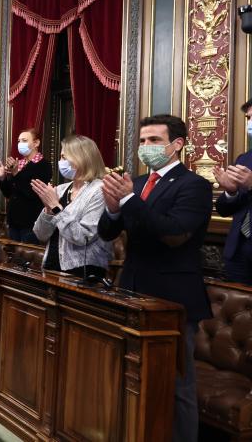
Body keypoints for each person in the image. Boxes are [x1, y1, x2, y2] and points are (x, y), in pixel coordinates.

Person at [98, 114, 212, 442]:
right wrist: (114, 209)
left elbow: (174, 233)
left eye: (154, 140)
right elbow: (107, 232)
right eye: (142, 141)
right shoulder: (134, 183)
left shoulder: (194, 185)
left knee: (177, 384)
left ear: (177, 145)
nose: (146, 146)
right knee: (130, 374)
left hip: (172, 296)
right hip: (132, 289)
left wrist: (129, 201)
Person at [31, 135, 112, 277]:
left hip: (83, 271)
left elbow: (83, 237)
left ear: (82, 158)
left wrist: (56, 207)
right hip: (52, 265)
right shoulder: (61, 189)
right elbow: (40, 235)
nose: (60, 162)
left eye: (64, 157)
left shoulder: (99, 190)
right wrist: (48, 211)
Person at [0, 128, 52, 243]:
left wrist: (16, 173)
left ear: (36, 143)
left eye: (24, 140)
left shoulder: (43, 165)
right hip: (13, 221)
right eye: (19, 141)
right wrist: (2, 177)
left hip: (30, 222)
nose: (20, 144)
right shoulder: (19, 164)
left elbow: (31, 193)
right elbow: (9, 193)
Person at [214, 98, 252, 284]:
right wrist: (231, 192)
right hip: (238, 251)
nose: (250, 123)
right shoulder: (244, 159)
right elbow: (224, 210)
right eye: (248, 118)